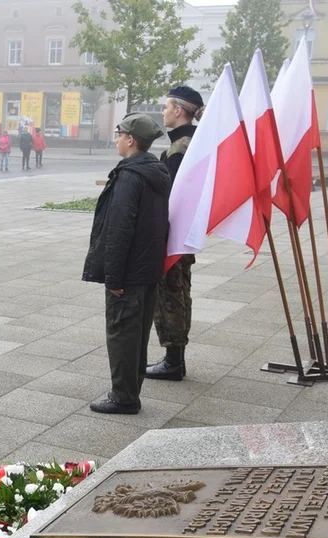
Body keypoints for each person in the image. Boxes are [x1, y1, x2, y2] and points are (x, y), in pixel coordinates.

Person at [83, 114, 171, 416]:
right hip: (147, 269)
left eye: (119, 133)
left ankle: (123, 397)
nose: (117, 137)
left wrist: (114, 277)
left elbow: (119, 230)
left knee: (122, 333)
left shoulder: (130, 176)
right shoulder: (154, 170)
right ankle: (131, 389)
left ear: (131, 140)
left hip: (129, 272)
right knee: (137, 334)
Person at [147, 85, 203, 382]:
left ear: (179, 110)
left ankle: (173, 361)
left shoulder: (180, 149)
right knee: (179, 292)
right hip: (183, 232)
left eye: (166, 107)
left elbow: (167, 196)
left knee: (171, 294)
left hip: (173, 233)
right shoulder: (189, 144)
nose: (163, 112)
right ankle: (173, 359)